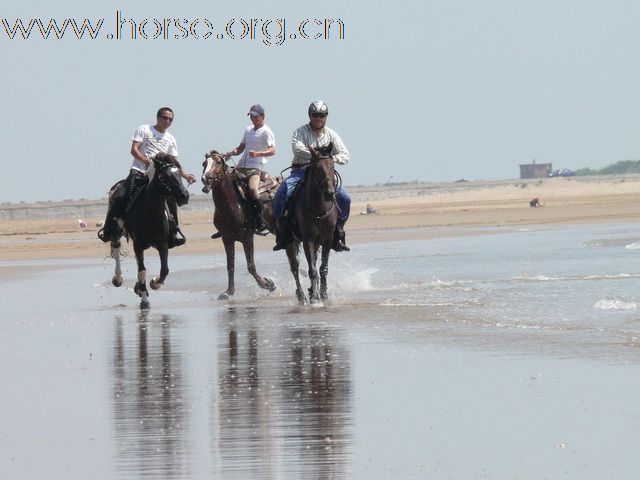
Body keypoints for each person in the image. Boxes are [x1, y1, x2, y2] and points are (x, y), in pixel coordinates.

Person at [97, 107, 196, 247]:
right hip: (139, 171)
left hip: (159, 176)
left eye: (170, 119)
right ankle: (109, 230)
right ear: (158, 118)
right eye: (165, 118)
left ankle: (173, 233)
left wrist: (185, 175)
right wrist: (145, 160)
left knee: (172, 200)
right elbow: (134, 150)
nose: (167, 121)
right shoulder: (144, 129)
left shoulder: (170, 139)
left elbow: (174, 162)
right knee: (120, 195)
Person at [272, 100, 351, 252]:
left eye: (322, 115)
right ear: (310, 115)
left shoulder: (332, 135)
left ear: (326, 117)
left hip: (324, 174)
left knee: (345, 197)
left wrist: (329, 160)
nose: (318, 118)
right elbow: (298, 149)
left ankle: (338, 231)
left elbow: (345, 155)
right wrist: (317, 156)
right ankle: (283, 232)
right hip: (301, 171)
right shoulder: (300, 132)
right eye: (315, 115)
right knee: (282, 194)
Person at [211, 104, 276, 238]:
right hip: (241, 166)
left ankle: (259, 220)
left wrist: (257, 154)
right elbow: (240, 148)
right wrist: (230, 153)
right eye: (251, 116)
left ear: (262, 116)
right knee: (223, 183)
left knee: (252, 189)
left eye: (255, 116)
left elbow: (272, 150)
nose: (252, 118)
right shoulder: (248, 130)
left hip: (255, 168)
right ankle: (223, 223)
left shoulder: (266, 131)